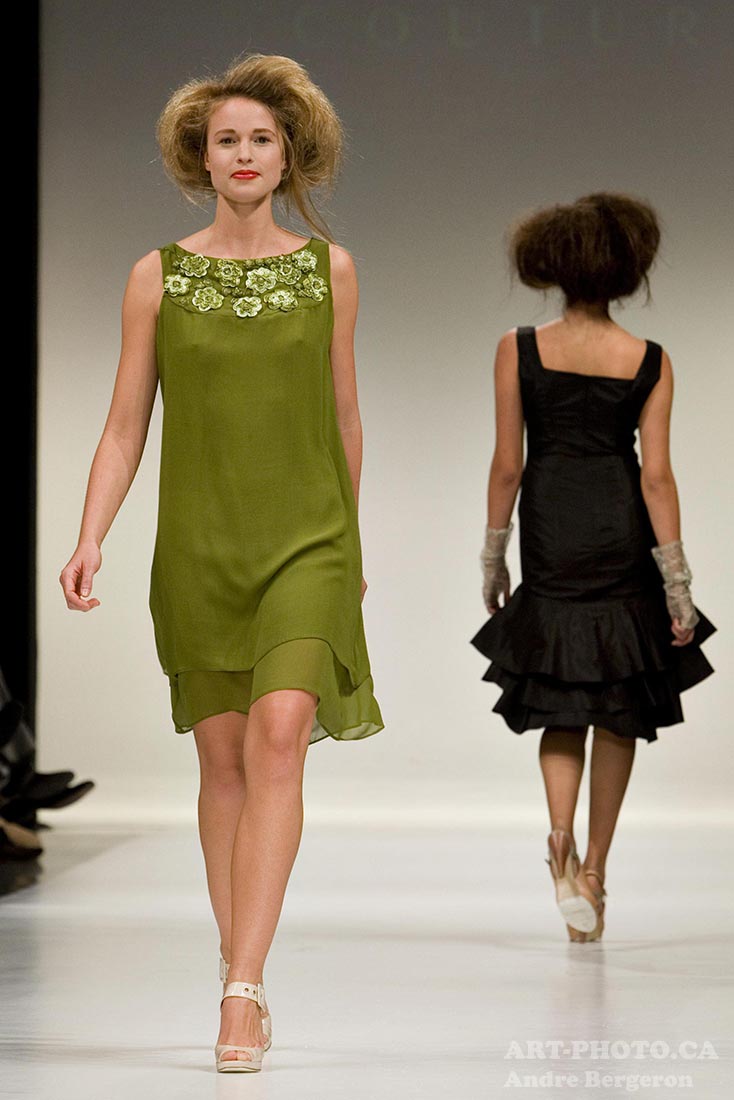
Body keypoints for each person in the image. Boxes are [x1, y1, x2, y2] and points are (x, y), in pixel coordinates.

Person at [59, 52, 384, 1070]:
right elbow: (125, 424)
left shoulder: (328, 271)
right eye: (225, 139)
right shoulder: (155, 276)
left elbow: (344, 415)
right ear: (198, 158)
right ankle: (238, 952)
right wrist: (90, 532)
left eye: (260, 138)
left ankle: (241, 991)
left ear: (289, 154)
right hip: (200, 546)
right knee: (224, 761)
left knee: (281, 736)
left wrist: (351, 540)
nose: (243, 153)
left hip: (308, 541)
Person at [470, 192, 715, 943]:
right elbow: (657, 478)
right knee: (617, 703)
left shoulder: (518, 348)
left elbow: (508, 464)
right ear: (625, 269)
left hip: (551, 529)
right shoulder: (649, 360)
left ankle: (559, 840)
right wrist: (678, 585)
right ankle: (597, 873)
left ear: (553, 264)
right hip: (619, 526)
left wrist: (493, 555)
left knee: (559, 698)